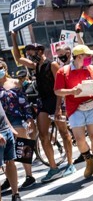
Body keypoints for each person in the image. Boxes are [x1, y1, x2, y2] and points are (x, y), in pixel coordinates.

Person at [10, 35, 74, 181]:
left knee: (64, 132)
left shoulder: (52, 65)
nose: (30, 57)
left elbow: (60, 87)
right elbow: (18, 58)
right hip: (44, 103)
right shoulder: (35, 66)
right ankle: (53, 168)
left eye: (32, 53)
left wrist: (58, 108)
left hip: (57, 100)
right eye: (29, 54)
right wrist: (14, 38)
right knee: (44, 135)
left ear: (40, 51)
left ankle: (70, 163)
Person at [54, 45, 93, 180]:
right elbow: (57, 91)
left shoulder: (91, 68)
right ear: (79, 57)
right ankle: (88, 160)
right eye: (87, 56)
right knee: (79, 140)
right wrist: (72, 91)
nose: (90, 58)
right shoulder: (63, 71)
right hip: (74, 108)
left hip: (91, 105)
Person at [0, 61, 35, 190]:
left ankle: (29, 175)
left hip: (16, 118)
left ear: (5, 68)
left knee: (23, 145)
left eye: (0, 67)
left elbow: (24, 102)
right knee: (5, 151)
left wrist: (29, 117)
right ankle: (10, 178)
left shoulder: (15, 83)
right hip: (2, 121)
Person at [0, 103, 22, 201]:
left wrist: (10, 127)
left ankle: (16, 195)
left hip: (6, 130)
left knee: (10, 162)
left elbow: (2, 112)